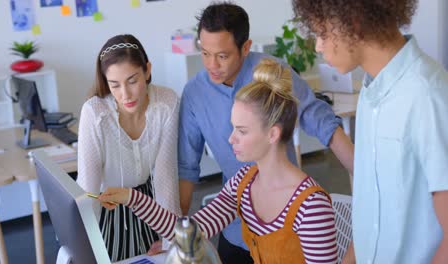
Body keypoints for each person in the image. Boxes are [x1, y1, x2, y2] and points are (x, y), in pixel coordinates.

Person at [99, 58, 338, 263]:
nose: (231, 138)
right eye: (233, 128)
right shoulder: (244, 183)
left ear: (272, 134)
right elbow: (187, 232)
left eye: (242, 131)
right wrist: (130, 197)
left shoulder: (311, 207)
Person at [178, 2, 354, 262]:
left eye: (222, 56)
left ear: (245, 48)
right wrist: (179, 241)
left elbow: (317, 118)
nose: (211, 64)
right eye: (204, 53)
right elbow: (187, 167)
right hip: (236, 223)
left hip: (287, 221)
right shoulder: (194, 93)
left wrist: (361, 173)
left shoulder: (272, 73)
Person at [291, 0, 448, 263]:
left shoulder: (428, 95)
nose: (318, 46)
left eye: (322, 33)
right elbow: (372, 211)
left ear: (352, 21)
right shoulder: (370, 92)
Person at [76, 34, 181, 261]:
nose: (125, 94)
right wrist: (84, 249)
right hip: (107, 208)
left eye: (132, 81)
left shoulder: (167, 102)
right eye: (115, 85)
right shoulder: (94, 113)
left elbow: (165, 177)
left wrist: (171, 239)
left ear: (147, 70)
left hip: (149, 207)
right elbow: (88, 190)